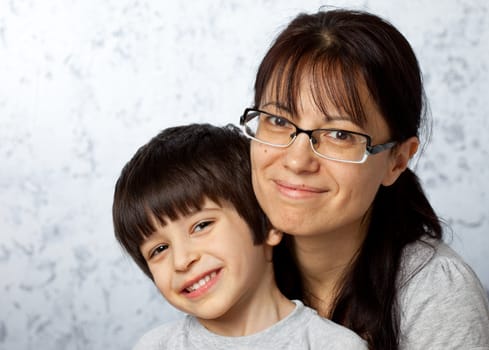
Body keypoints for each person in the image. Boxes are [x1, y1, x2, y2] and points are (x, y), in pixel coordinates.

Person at [240, 8, 489, 350]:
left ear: (397, 160)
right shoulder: (232, 259)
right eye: (279, 122)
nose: (297, 160)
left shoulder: (435, 293)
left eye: (340, 134)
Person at [112, 123, 367, 349]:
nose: (181, 261)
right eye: (158, 250)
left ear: (268, 224)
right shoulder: (156, 346)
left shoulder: (334, 345)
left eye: (201, 226)